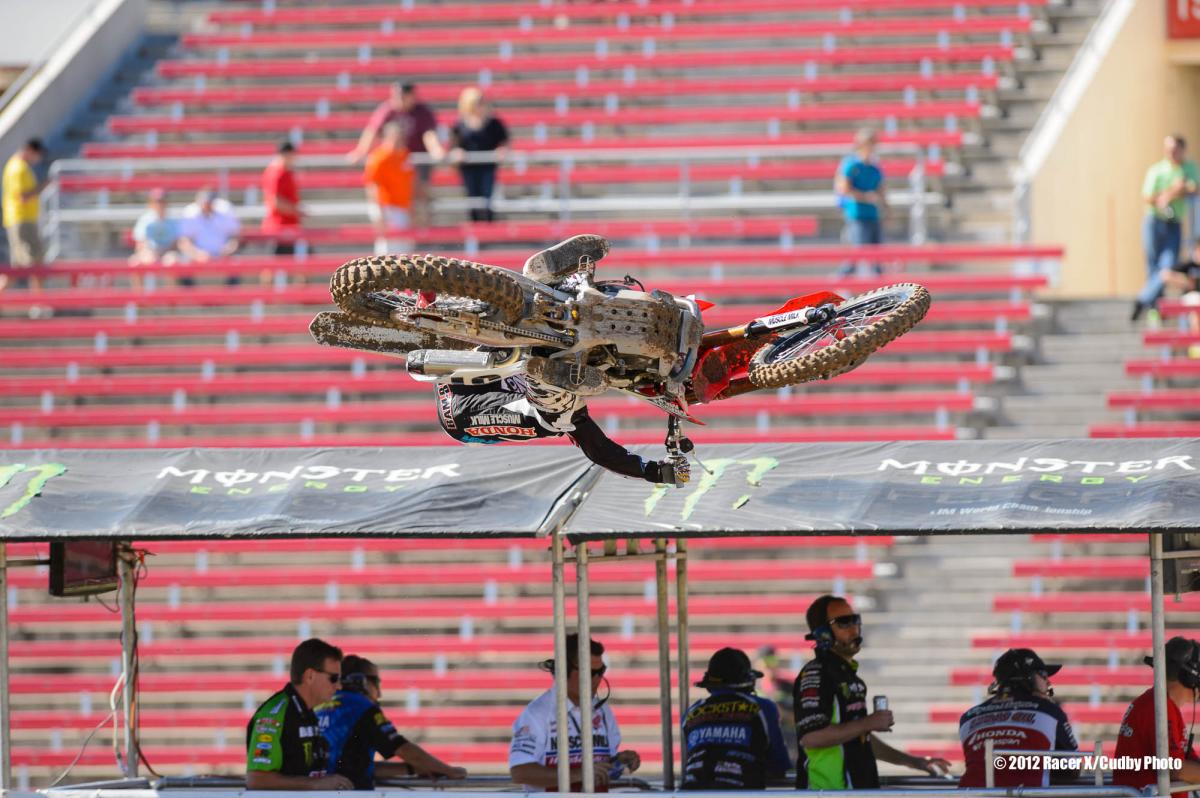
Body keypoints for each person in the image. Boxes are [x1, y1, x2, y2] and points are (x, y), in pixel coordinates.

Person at [432, 234, 689, 486]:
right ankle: (558, 287)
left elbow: (599, 451)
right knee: (556, 409)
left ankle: (546, 293)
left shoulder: (571, 401)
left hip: (459, 412)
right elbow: (599, 448)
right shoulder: (573, 388)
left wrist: (652, 472)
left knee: (558, 417)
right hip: (473, 375)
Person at [794, 595, 950, 789]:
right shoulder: (816, 674)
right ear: (823, 634)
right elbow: (811, 737)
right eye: (844, 622)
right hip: (826, 792)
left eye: (855, 620)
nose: (854, 628)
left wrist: (915, 762)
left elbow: (860, 738)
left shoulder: (849, 677)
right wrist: (868, 722)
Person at [509, 634, 641, 792]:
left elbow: (601, 767)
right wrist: (578, 775)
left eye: (601, 671)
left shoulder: (602, 710)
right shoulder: (537, 713)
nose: (598, 678)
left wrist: (619, 762)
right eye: (590, 672)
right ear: (564, 671)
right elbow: (520, 772)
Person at [316, 654, 467, 789]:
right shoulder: (360, 707)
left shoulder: (320, 707)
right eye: (377, 683)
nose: (379, 693)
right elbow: (403, 749)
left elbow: (357, 767)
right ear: (362, 681)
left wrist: (416, 768)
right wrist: (449, 771)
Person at [957, 648, 1079, 787]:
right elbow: (1071, 769)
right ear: (1028, 677)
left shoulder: (968, 716)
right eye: (1044, 675)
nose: (1048, 683)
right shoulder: (1049, 711)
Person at [245, 638, 353, 790]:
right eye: (333, 678)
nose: (339, 686)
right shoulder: (274, 714)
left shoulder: (307, 713)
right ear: (310, 676)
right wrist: (316, 784)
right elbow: (257, 779)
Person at [681, 647, 790, 790]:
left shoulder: (691, 713)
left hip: (692, 792)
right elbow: (779, 765)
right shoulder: (762, 707)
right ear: (748, 680)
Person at [346, 82, 444, 227]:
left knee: (420, 195)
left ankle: (424, 229)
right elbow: (372, 130)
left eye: (402, 97)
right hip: (394, 163)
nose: (398, 100)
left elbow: (428, 134)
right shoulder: (388, 109)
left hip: (415, 160)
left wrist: (436, 150)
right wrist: (361, 150)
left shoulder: (422, 111)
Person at [1113, 636, 1200, 790]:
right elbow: (1175, 769)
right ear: (1190, 678)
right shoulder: (1158, 708)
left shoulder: (1162, 705)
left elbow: (1188, 760)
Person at [1133, 134, 1200, 321]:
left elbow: (1194, 188)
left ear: (1182, 150)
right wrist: (1170, 193)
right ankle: (1154, 305)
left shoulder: (1190, 168)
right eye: (1168, 149)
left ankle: (1142, 299)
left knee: (1167, 266)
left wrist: (1173, 193)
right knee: (1153, 265)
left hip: (1173, 223)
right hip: (1154, 220)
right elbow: (1147, 196)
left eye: (1174, 149)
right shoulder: (1157, 170)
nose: (1170, 153)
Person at [448, 86, 509, 222]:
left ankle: (488, 227)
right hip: (468, 168)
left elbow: (503, 141)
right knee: (472, 198)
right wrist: (457, 153)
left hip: (488, 167)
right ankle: (475, 230)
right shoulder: (460, 125)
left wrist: (501, 150)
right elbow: (454, 145)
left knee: (487, 197)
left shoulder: (493, 123)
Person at [834, 127, 887, 278]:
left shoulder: (874, 167)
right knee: (856, 255)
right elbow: (844, 188)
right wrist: (865, 196)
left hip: (873, 214)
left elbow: (881, 188)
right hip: (856, 214)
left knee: (877, 258)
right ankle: (840, 284)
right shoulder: (851, 165)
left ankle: (884, 294)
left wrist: (886, 207)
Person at [363, 123, 415, 257]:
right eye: (396, 138)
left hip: (402, 207)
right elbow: (372, 186)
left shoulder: (404, 154)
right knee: (387, 250)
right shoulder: (380, 157)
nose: (399, 142)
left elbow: (409, 182)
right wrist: (378, 211)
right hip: (387, 207)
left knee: (404, 250)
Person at [3, 137, 46, 290]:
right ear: (29, 150)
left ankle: (38, 303)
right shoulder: (18, 168)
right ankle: (38, 303)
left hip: (23, 219)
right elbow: (22, 197)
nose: (37, 159)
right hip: (21, 220)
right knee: (31, 263)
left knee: (23, 265)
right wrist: (42, 187)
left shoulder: (19, 167)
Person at [753, 644, 798, 762]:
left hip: (792, 745)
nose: (768, 666)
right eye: (765, 662)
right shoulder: (751, 691)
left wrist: (784, 714)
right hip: (767, 748)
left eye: (772, 661)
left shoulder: (789, 687)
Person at [178, 188, 241, 263]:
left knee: (236, 263)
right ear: (198, 201)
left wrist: (228, 249)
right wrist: (196, 254)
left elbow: (235, 237)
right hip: (196, 259)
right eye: (204, 202)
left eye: (209, 202)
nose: (206, 205)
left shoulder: (225, 210)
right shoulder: (190, 214)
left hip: (224, 257)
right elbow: (184, 242)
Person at [262, 142, 302, 255]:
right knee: (274, 266)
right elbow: (276, 202)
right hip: (279, 226)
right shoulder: (276, 173)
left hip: (287, 225)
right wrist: (297, 211)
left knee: (291, 264)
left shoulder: (284, 172)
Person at [129, 189, 179, 269]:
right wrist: (151, 252)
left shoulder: (172, 221)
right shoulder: (145, 220)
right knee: (135, 263)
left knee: (172, 261)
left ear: (166, 203)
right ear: (151, 203)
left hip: (166, 253)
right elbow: (140, 244)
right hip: (149, 252)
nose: (159, 204)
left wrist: (162, 252)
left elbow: (176, 244)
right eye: (156, 201)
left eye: (162, 201)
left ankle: (170, 282)